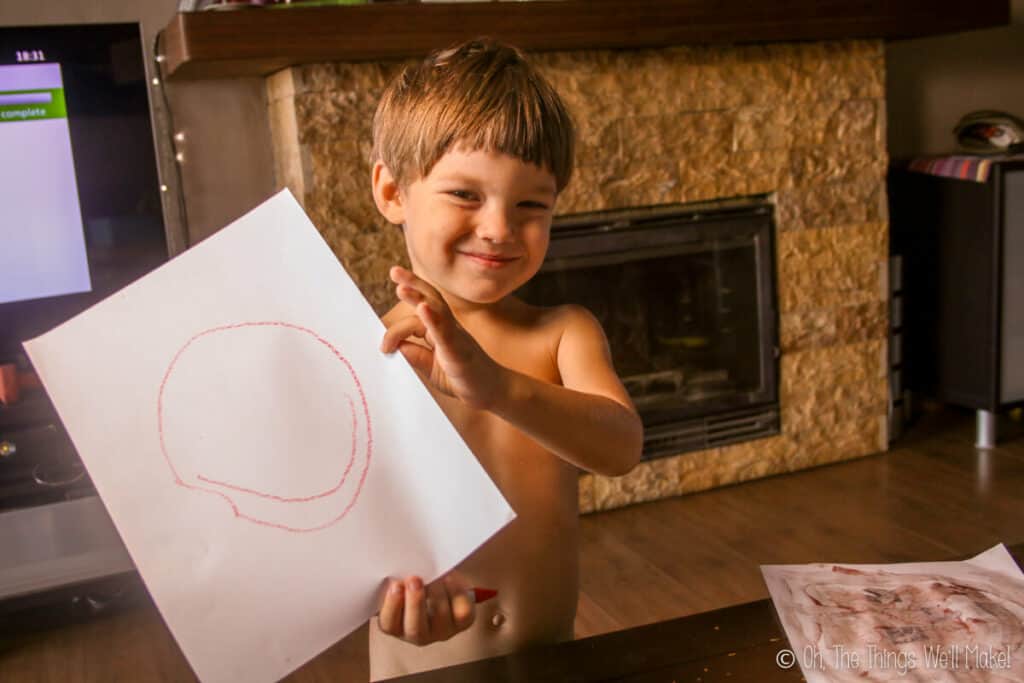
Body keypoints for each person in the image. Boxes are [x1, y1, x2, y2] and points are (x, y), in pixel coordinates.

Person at [370, 38, 643, 680]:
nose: (498, 227)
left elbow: (621, 447)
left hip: (550, 660)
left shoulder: (563, 333)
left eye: (531, 205)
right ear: (392, 191)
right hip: (418, 668)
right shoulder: (367, 352)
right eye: (465, 195)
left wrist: (493, 385)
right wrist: (390, 599)